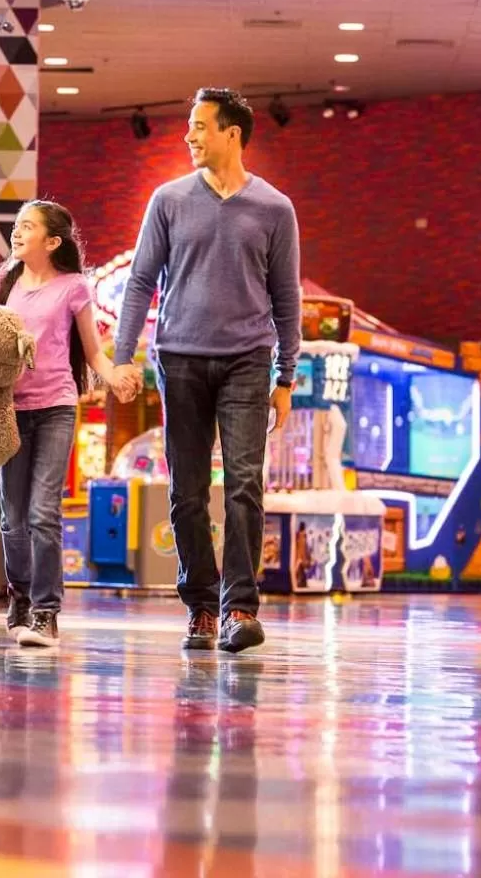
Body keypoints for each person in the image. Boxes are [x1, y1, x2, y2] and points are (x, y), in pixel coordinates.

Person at [112, 88, 301, 655]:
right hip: (179, 359)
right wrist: (124, 357)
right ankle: (199, 604)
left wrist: (285, 376)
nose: (189, 137)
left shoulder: (274, 208)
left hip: (248, 362)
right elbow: (140, 281)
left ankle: (239, 607)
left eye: (199, 127)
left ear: (232, 134)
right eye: (188, 127)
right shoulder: (168, 200)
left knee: (245, 483)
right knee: (188, 491)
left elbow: (285, 298)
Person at [0, 201, 138, 649]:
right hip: (8, 409)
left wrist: (116, 377)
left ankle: (46, 612)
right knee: (11, 519)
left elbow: (93, 352)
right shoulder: (1, 282)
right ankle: (20, 595)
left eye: (27, 227)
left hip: (55, 406)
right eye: (17, 226)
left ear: (52, 242)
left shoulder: (73, 287)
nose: (17, 233)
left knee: (42, 512)